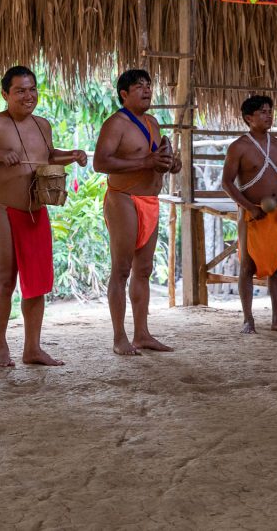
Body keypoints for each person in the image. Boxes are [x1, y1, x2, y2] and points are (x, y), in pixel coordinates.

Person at [0, 65, 86, 367]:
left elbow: (47, 156)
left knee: (37, 284)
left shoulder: (42, 125)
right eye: (20, 90)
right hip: (3, 209)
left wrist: (72, 154)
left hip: (36, 211)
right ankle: (0, 348)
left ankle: (32, 348)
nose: (28, 95)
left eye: (32, 89)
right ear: (5, 93)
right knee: (5, 281)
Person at [93, 69, 181, 355]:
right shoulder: (116, 124)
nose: (146, 90)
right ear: (124, 95)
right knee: (121, 269)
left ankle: (142, 334)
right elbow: (100, 162)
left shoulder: (153, 123)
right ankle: (120, 337)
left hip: (150, 199)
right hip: (123, 199)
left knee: (144, 269)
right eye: (139, 86)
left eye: (149, 85)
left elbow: (158, 159)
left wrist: (170, 164)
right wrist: (146, 161)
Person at [222, 95, 277, 334]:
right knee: (247, 266)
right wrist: (249, 207)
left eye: (270, 111)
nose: (268, 115)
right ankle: (248, 319)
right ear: (248, 118)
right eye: (262, 112)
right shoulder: (239, 147)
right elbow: (227, 183)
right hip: (252, 214)